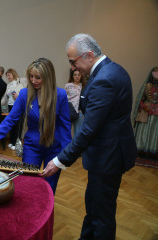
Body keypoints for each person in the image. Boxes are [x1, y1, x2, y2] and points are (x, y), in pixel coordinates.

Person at [42, 34, 137, 240]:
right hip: (106, 154)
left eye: (73, 62)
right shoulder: (112, 70)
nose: (73, 68)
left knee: (101, 214)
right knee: (93, 206)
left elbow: (88, 130)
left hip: (108, 157)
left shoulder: (105, 79)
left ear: (89, 55)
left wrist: (59, 161)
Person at [0, 58, 71, 194]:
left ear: (48, 77)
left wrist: (66, 155)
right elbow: (10, 119)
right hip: (32, 147)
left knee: (50, 187)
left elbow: (65, 127)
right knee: (29, 183)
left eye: (38, 77)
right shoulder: (25, 94)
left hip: (54, 148)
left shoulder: (60, 95)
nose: (33, 81)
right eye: (31, 76)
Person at [132, 66, 158, 159]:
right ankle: (141, 149)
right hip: (146, 110)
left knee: (155, 130)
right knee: (144, 128)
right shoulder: (147, 85)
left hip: (156, 112)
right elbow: (140, 99)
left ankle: (153, 150)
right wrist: (144, 106)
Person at [1, 68, 26, 150]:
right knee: (11, 125)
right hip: (10, 106)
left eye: (9, 75)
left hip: (18, 107)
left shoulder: (19, 84)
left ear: (13, 74)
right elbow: (5, 97)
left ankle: (16, 143)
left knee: (18, 125)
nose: (8, 77)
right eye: (7, 75)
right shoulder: (8, 85)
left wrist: (17, 96)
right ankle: (12, 141)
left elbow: (23, 97)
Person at [65, 69, 86, 137]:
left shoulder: (84, 86)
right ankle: (67, 147)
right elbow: (64, 98)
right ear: (72, 76)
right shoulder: (68, 85)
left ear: (81, 76)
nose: (77, 76)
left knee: (78, 132)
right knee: (67, 131)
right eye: (75, 75)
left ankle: (76, 147)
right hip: (69, 111)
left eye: (79, 75)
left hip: (79, 112)